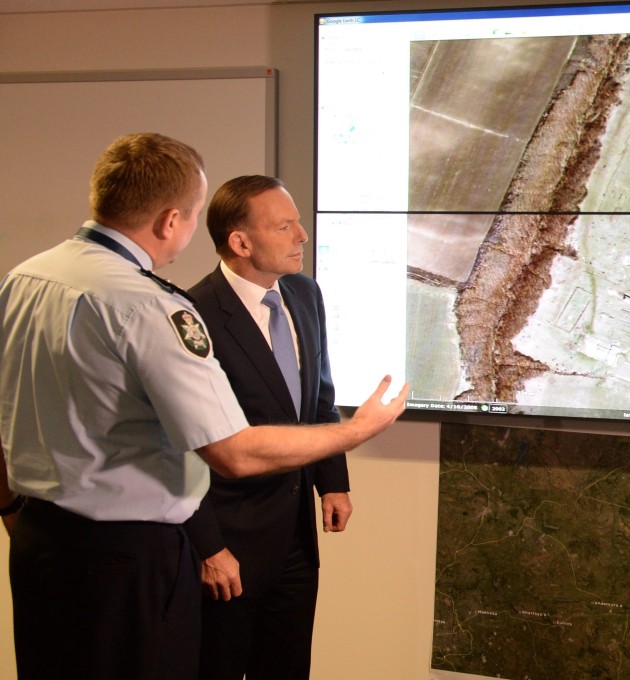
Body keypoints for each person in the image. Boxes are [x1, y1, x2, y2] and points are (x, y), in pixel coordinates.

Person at [0, 133, 408, 680]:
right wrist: (356, 432)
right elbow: (232, 453)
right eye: (193, 218)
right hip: (130, 560)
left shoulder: (24, 279)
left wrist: (11, 512)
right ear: (172, 220)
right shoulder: (150, 304)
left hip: (41, 543)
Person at [183, 175, 347, 679]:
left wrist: (332, 482)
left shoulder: (304, 294)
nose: (302, 235)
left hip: (297, 538)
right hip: (229, 548)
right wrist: (209, 547)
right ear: (241, 241)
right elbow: (182, 447)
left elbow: (319, 399)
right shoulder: (193, 314)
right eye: (285, 226)